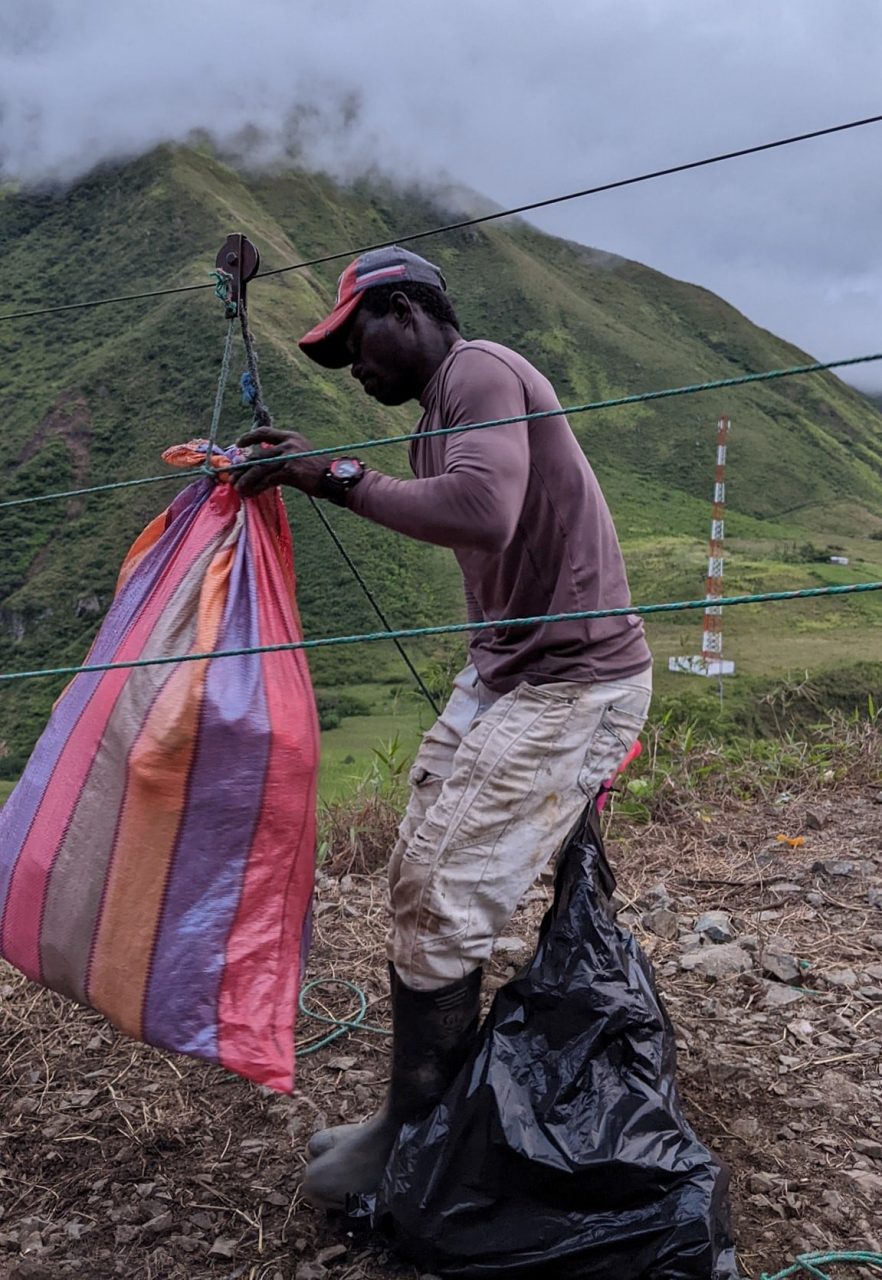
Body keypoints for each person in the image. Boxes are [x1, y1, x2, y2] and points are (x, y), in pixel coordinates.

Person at [233, 245, 653, 1208]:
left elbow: (482, 510)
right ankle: (421, 1116)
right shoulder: (442, 411)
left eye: (358, 342)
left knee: (442, 896)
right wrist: (318, 471)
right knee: (417, 869)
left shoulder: (481, 372)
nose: (354, 368)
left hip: (571, 684)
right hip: (511, 675)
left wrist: (326, 474)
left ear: (409, 311)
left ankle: (415, 1140)